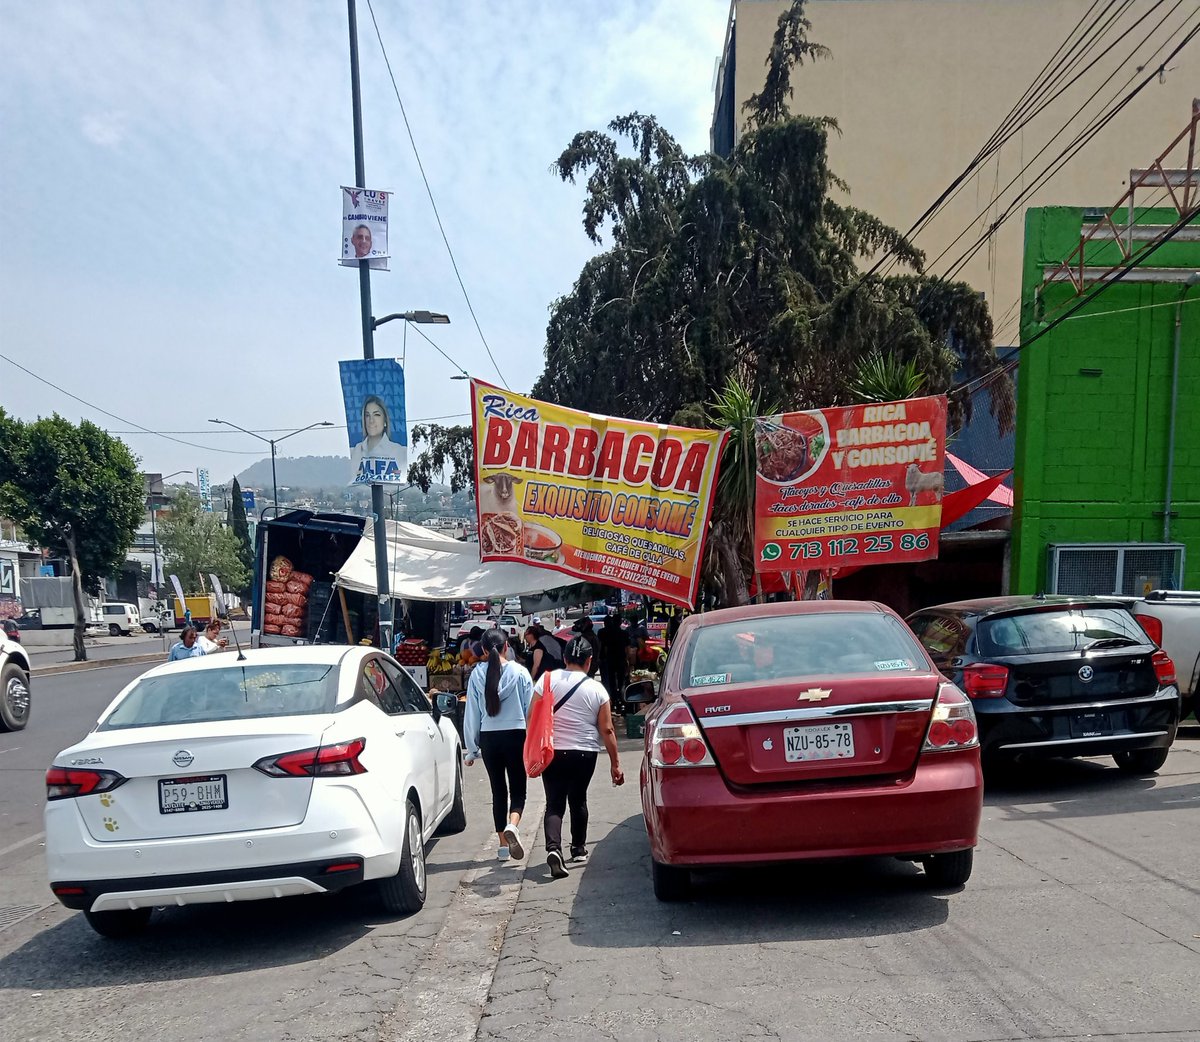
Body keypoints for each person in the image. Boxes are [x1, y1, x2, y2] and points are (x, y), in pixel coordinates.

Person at [532, 636, 624, 878]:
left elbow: (532, 717)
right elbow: (607, 729)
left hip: (552, 751)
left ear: (564, 658)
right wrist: (615, 764)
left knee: (554, 803)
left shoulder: (546, 680)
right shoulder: (597, 689)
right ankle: (579, 847)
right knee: (578, 799)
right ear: (589, 661)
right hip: (585, 752)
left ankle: (553, 848)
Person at [463, 628, 534, 862]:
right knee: (518, 790)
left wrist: (472, 749)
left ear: (483, 650)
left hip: (489, 737)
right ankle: (513, 824)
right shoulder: (521, 672)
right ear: (507, 647)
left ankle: (503, 845)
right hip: (516, 735)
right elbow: (529, 711)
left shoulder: (476, 674)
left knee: (498, 791)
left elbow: (472, 713)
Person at [349, 395, 405, 481]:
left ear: (385, 421)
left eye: (377, 415)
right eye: (367, 415)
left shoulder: (398, 450)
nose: (371, 420)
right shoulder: (356, 450)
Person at [598, 614, 628, 706]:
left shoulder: (605, 633)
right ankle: (622, 701)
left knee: (611, 682)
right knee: (621, 681)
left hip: (610, 660)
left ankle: (614, 700)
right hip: (620, 659)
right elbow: (627, 648)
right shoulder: (624, 633)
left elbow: (603, 646)